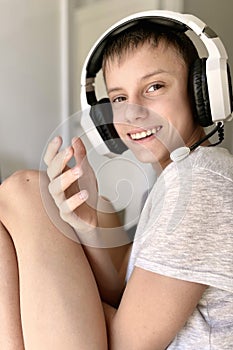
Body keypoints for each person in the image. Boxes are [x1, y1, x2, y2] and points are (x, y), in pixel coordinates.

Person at [0, 10, 233, 350]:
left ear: (202, 92)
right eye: (120, 98)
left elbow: (126, 344)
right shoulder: (178, 180)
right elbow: (127, 289)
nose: (133, 112)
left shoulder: (201, 186)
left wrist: (35, 298)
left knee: (24, 190)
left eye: (154, 87)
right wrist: (92, 221)